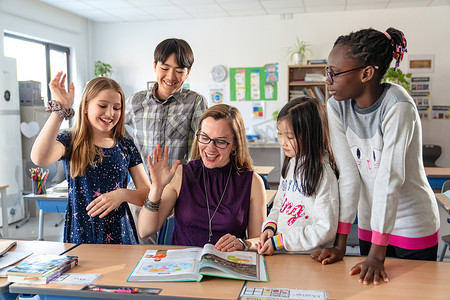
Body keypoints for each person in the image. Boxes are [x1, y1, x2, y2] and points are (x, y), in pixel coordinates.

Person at [311, 27, 440, 285]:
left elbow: (389, 179)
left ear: (366, 73)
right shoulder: (336, 106)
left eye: (335, 73)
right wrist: (340, 244)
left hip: (412, 225)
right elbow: (348, 176)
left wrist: (377, 256)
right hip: (371, 225)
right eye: (328, 71)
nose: (328, 80)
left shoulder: (397, 106)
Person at [31, 72, 151, 244]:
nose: (110, 113)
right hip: (81, 235)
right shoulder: (70, 140)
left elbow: (147, 194)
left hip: (121, 236)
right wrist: (60, 110)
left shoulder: (125, 144)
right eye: (102, 106)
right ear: (86, 107)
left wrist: (122, 194)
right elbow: (39, 158)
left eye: (116, 108)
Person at [138, 104, 267, 250]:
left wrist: (244, 244)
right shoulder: (181, 175)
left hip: (227, 266)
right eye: (205, 137)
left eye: (220, 141)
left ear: (235, 145)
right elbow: (145, 230)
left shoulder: (253, 182)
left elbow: (259, 240)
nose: (210, 148)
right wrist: (156, 188)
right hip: (183, 267)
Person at [125, 38, 207, 244]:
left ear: (187, 73)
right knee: (141, 247)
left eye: (179, 70)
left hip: (177, 191)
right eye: (165, 68)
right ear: (155, 66)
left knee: (174, 249)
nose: (171, 76)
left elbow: (202, 147)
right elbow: (114, 134)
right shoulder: (135, 101)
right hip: (141, 189)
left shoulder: (195, 102)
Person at [256, 97, 339, 255]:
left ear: (311, 135)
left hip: (310, 258)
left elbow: (325, 229)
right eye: (279, 134)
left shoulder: (323, 175)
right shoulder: (291, 164)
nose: (283, 142)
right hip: (285, 252)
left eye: (290, 137)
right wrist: (270, 226)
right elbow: (279, 204)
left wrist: (281, 241)